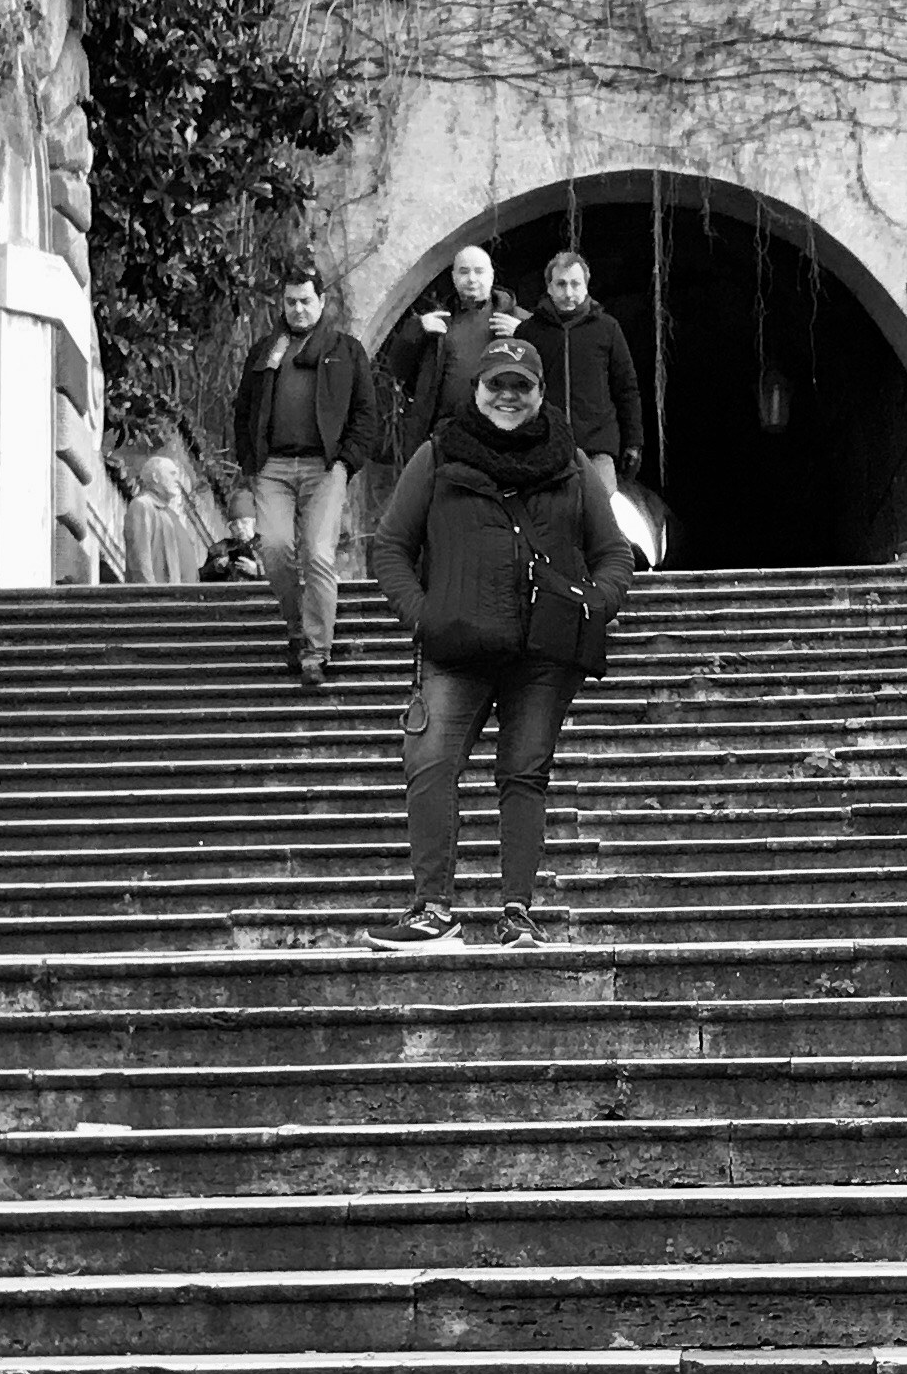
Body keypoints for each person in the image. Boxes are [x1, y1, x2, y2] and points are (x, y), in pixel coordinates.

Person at [363, 336, 635, 952]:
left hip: (544, 651)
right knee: (430, 763)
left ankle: (517, 913)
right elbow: (391, 546)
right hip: (457, 644)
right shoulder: (438, 455)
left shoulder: (572, 464)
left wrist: (595, 604)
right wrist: (424, 616)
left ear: (540, 393)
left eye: (521, 386)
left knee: (524, 773)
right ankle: (433, 910)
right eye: (496, 385)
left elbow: (614, 553)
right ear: (477, 390)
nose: (508, 396)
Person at [230, 268, 379, 685]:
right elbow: (244, 410)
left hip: (325, 467)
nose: (298, 309)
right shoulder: (265, 351)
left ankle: (316, 650)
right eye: (291, 302)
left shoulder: (346, 350)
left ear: (322, 302)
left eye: (306, 301)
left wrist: (346, 461)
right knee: (275, 549)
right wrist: (250, 461)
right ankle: (296, 626)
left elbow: (366, 413)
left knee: (317, 553)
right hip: (273, 467)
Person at [518, 249, 646, 507]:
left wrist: (634, 442)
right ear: (549, 287)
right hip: (544, 447)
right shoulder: (529, 332)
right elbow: (518, 391)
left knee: (600, 516)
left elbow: (626, 388)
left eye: (575, 284)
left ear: (586, 286)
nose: (568, 293)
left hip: (597, 447)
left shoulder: (607, 328)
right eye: (561, 284)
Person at [395, 244, 527, 462]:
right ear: (454, 277)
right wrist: (416, 330)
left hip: (502, 434)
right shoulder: (437, 321)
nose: (472, 279)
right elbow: (397, 368)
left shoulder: (519, 320)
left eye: (479, 271)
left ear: (492, 276)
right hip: (447, 434)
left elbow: (551, 366)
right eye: (464, 272)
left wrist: (525, 333)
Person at [119, 445, 198, 585]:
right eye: (172, 474)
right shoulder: (142, 505)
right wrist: (149, 592)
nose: (177, 480)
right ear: (155, 477)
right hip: (156, 594)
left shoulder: (167, 513)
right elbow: (140, 557)